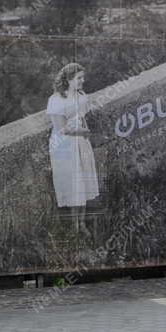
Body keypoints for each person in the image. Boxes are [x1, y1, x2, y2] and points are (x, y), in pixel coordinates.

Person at [47, 63, 99, 228]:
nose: (82, 81)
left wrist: (84, 132)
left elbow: (82, 117)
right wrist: (82, 132)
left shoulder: (82, 95)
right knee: (72, 184)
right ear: (68, 79)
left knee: (83, 181)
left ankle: (82, 223)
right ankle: (74, 226)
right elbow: (61, 129)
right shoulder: (56, 99)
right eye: (79, 78)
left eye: (83, 77)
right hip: (64, 146)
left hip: (81, 143)